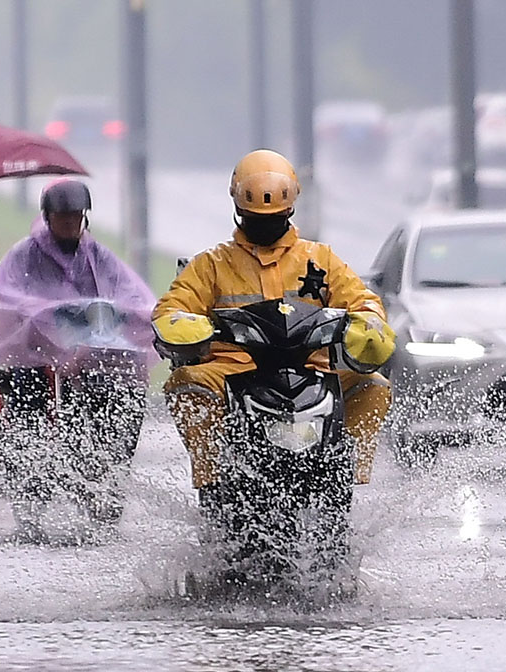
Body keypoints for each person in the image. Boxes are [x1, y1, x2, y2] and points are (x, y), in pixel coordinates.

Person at [152, 149, 395, 493]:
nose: (266, 227)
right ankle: (211, 472)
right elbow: (172, 308)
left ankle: (350, 463)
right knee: (187, 382)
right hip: (233, 371)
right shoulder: (210, 264)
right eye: (257, 219)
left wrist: (367, 323)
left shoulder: (321, 259)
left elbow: (362, 302)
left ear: (290, 210)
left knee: (372, 384)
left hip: (314, 367)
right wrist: (187, 327)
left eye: (275, 219)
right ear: (239, 211)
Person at [0, 178, 157, 526]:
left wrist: (141, 317)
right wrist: (45, 316)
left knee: (109, 411)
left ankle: (100, 486)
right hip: (34, 358)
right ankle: (28, 493)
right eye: (63, 218)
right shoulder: (26, 253)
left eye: (77, 218)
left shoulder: (96, 256)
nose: (71, 225)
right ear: (47, 217)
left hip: (85, 364)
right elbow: (2, 292)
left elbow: (131, 295)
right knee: (24, 412)